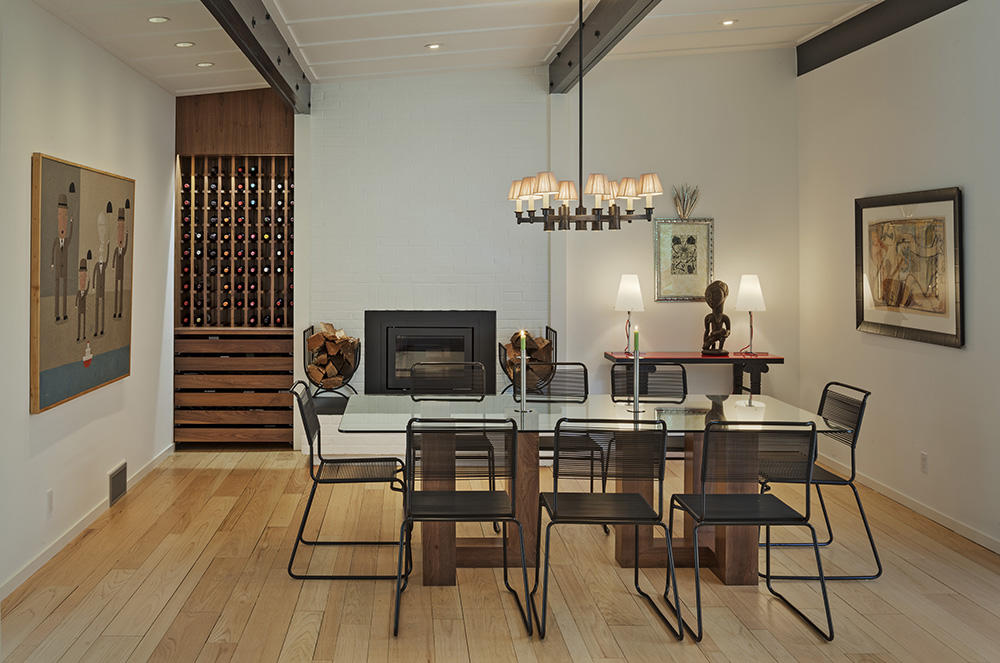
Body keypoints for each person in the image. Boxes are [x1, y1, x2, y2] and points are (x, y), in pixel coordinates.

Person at [50, 191, 75, 321]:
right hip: (57, 270)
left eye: (64, 216)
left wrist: (71, 223)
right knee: (57, 292)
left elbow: (70, 234)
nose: (62, 220)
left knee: (64, 292)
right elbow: (52, 252)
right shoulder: (55, 240)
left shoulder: (67, 241)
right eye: (60, 215)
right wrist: (52, 263)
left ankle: (64, 313)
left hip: (64, 270)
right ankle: (56, 314)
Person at [702, 280, 731, 355]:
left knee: (722, 334)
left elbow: (728, 330)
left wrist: (726, 333)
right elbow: (707, 330)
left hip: (721, 335)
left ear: (724, 295)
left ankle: (720, 348)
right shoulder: (708, 317)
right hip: (712, 336)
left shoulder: (725, 318)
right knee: (706, 346)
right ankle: (713, 347)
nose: (711, 298)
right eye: (708, 295)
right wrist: (705, 341)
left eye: (715, 294)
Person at [112, 207, 129, 318]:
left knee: (120, 291)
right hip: (117, 273)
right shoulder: (115, 250)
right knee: (116, 291)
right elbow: (113, 258)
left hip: (121, 273)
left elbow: (126, 246)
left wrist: (127, 236)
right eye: (119, 228)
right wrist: (113, 266)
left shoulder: (123, 249)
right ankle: (115, 310)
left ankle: (120, 311)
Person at [75, 258, 90, 342]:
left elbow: (87, 289)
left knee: (83, 321)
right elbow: (77, 298)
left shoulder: (84, 289)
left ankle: (83, 335)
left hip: (83, 308)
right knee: (79, 322)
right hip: (80, 308)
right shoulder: (79, 291)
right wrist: (76, 305)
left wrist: (89, 283)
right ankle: (78, 335)